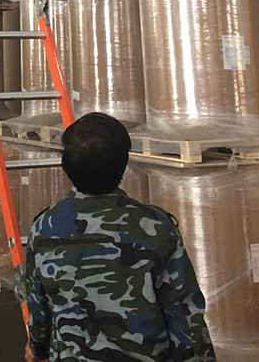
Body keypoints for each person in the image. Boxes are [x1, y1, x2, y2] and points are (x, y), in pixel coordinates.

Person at [21, 112, 216, 362]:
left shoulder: (44, 228)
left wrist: (37, 347)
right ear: (124, 163)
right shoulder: (155, 227)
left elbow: (39, 309)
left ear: (66, 166)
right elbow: (184, 314)